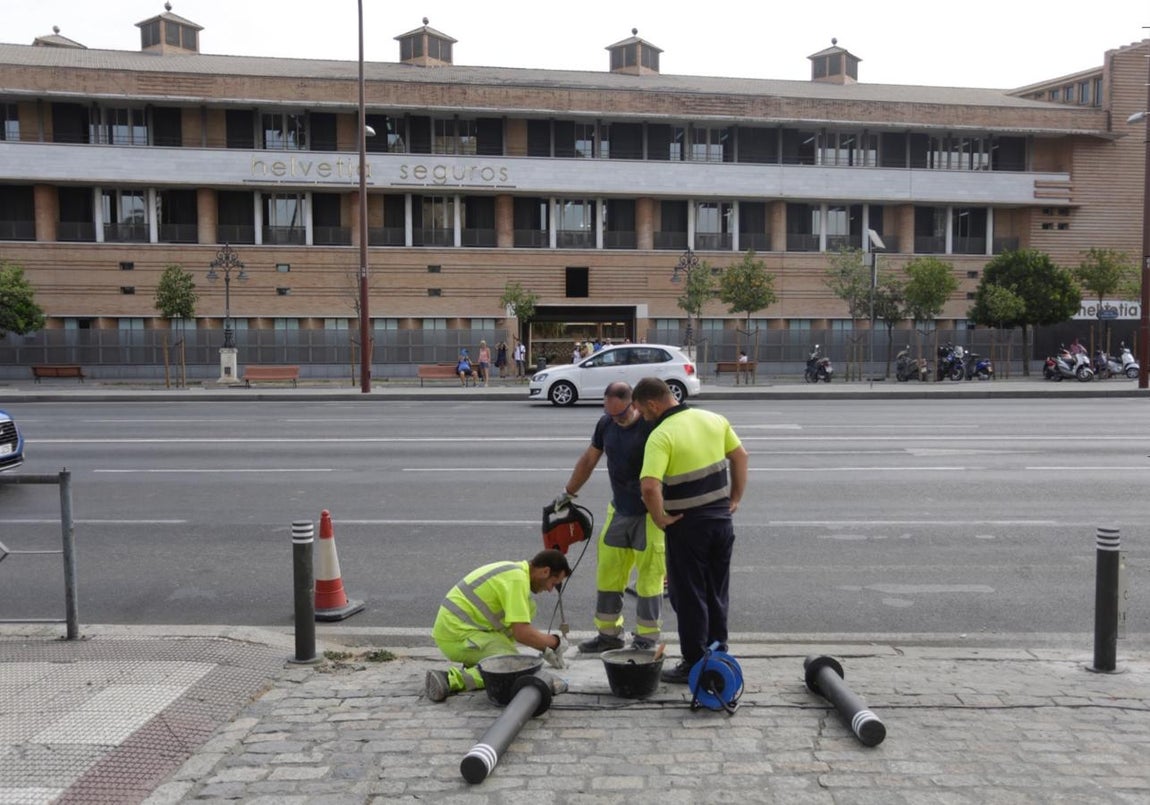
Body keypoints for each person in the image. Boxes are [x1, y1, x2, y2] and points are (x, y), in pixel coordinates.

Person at [633, 377, 748, 684]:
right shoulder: (713, 419)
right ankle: (718, 651)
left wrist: (659, 519)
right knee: (716, 590)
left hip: (687, 526)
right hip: (721, 522)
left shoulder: (661, 435)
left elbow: (649, 486)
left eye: (643, 412)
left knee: (689, 595)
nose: (644, 418)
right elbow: (740, 456)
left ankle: (695, 662)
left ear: (654, 404)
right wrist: (734, 498)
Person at [554, 382, 663, 655]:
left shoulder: (651, 427)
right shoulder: (606, 425)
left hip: (650, 515)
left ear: (634, 405)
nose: (616, 420)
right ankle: (609, 635)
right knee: (608, 573)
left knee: (649, 579)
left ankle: (646, 639)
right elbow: (589, 460)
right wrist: (568, 493)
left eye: (621, 415)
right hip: (620, 510)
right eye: (610, 414)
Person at [426, 549, 572, 702]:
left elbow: (520, 629)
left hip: (461, 631)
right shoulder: (517, 580)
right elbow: (521, 633)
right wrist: (555, 642)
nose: (550, 590)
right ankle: (450, 680)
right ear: (545, 571)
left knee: (529, 608)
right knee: (513, 668)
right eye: (553, 583)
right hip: (456, 635)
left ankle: (481, 662)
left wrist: (545, 648)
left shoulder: (516, 573)